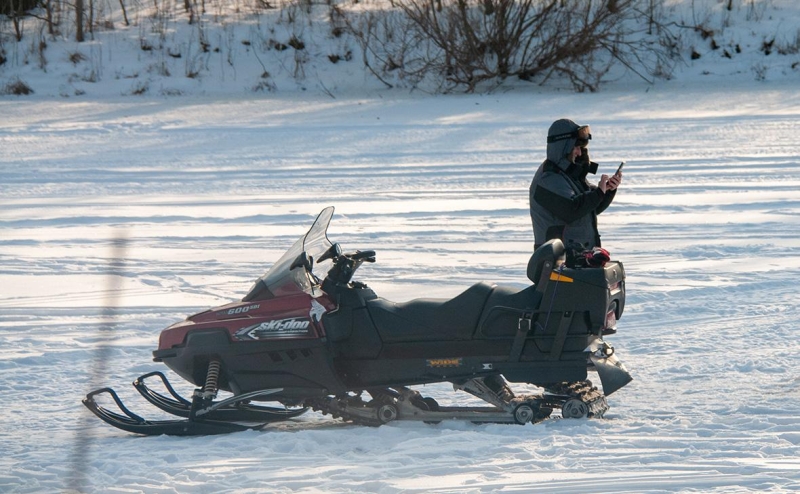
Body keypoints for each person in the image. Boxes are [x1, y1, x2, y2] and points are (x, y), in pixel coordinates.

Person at [529, 118, 622, 254]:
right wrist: (598, 194)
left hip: (577, 257)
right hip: (557, 261)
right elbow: (572, 209)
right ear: (563, 147)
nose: (579, 153)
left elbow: (589, 208)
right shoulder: (548, 179)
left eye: (581, 148)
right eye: (576, 147)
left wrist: (606, 191)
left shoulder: (567, 176)